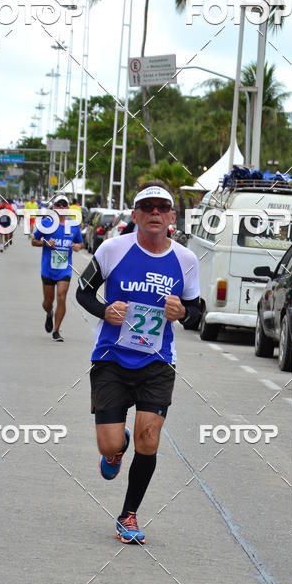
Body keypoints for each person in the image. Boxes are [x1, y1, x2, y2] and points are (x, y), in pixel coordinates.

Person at [76, 180, 202, 544]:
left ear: (172, 217)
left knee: (150, 438)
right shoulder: (112, 249)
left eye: (162, 208)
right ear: (135, 215)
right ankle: (117, 448)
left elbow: (197, 310)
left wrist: (184, 312)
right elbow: (85, 290)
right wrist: (105, 310)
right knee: (110, 444)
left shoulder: (186, 260)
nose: (155, 214)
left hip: (157, 361)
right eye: (147, 208)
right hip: (111, 358)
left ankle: (128, 515)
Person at [31, 194, 83, 342]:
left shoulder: (73, 225)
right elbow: (34, 241)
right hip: (48, 268)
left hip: (64, 269)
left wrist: (77, 246)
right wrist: (45, 243)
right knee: (48, 302)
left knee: (62, 296)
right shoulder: (47, 223)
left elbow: (80, 243)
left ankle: (56, 330)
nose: (61, 207)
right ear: (53, 207)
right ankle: (49, 314)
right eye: (58, 205)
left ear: (68, 208)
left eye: (64, 205)